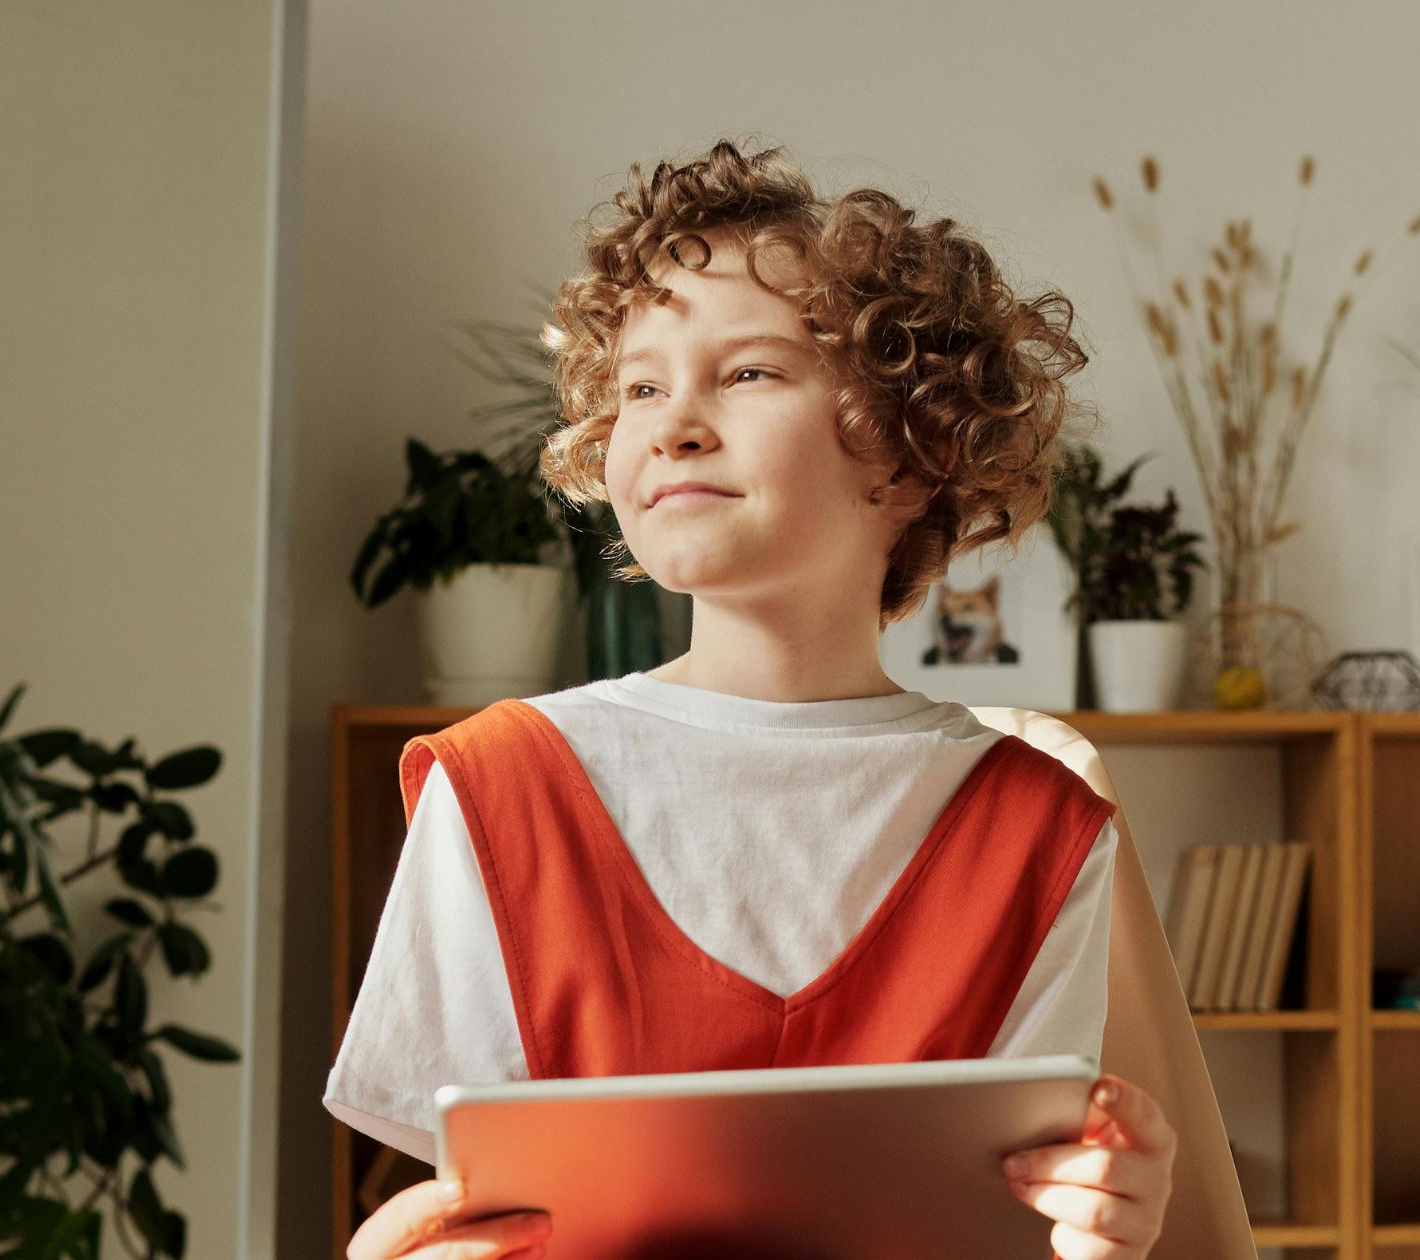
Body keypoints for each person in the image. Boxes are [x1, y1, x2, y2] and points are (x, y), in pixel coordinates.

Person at [332, 137, 1176, 1260]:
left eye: (747, 374)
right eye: (640, 387)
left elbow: (1019, 1224)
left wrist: (1106, 1232)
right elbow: (453, 1204)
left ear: (908, 452)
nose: (673, 420)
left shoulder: (1041, 828)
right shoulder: (495, 789)